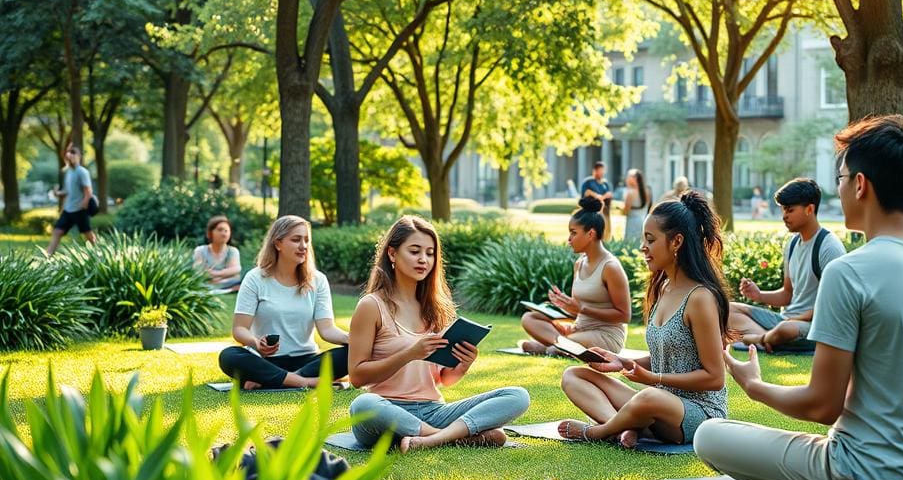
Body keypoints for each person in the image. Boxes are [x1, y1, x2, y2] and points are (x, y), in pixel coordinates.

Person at [695, 115, 903, 480]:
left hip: (869, 475)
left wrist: (754, 386)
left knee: (710, 434)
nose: (838, 189)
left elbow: (822, 404)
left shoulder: (848, 272)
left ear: (859, 184)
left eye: (840, 178)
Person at [557, 192, 728, 445]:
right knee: (574, 376)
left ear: (676, 241)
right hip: (657, 404)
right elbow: (667, 355)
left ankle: (597, 432)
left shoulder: (700, 297)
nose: (643, 247)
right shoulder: (664, 288)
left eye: (650, 239)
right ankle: (623, 427)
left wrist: (654, 379)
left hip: (698, 414)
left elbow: (715, 378)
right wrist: (622, 362)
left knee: (649, 398)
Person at [348, 216, 529, 452]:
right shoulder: (371, 306)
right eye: (414, 251)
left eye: (430, 253)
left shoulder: (435, 307)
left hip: (433, 410)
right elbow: (357, 377)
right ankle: (446, 437)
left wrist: (462, 366)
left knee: (517, 395)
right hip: (386, 410)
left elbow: (443, 379)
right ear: (392, 254)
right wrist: (410, 354)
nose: (423, 259)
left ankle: (430, 438)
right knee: (362, 405)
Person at [218, 215, 348, 389]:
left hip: (307, 362)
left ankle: (273, 380)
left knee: (351, 353)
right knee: (229, 356)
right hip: (267, 361)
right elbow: (239, 329)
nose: (303, 246)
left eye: (306, 240)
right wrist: (256, 343)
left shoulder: (318, 280)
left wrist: (352, 340)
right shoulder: (255, 279)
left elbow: (327, 330)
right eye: (296, 240)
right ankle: (303, 382)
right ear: (278, 244)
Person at [729, 178, 845, 352]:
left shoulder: (829, 247)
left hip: (814, 326)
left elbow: (833, 304)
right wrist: (759, 295)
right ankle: (769, 340)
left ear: (810, 209)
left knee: (786, 329)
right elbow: (787, 294)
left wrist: (795, 320)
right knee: (728, 309)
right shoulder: (791, 245)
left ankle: (763, 338)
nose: (784, 216)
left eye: (790, 210)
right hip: (784, 320)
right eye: (783, 209)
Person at [520, 196, 631, 355]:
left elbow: (624, 315)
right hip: (578, 328)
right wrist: (565, 305)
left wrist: (582, 308)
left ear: (590, 234)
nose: (569, 239)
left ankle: (554, 347)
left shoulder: (610, 267)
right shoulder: (579, 263)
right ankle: (562, 346)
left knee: (550, 348)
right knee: (529, 319)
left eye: (573, 233)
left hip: (605, 335)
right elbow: (578, 311)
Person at [45, 144, 96, 255]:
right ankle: (47, 255)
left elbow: (88, 191)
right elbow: (68, 191)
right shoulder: (68, 172)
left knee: (88, 234)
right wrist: (57, 193)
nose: (71, 156)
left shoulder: (82, 172)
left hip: (80, 209)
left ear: (79, 156)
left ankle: (98, 253)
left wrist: (84, 203)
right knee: (57, 231)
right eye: (69, 154)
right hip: (68, 209)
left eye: (74, 153)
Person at [193, 215, 242, 291]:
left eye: (226, 231)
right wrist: (225, 274)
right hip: (206, 282)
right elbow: (198, 271)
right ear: (210, 232)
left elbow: (236, 269)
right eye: (220, 230)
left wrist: (216, 274)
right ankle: (225, 288)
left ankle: (216, 287)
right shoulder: (200, 250)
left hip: (226, 282)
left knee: (238, 281)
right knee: (197, 282)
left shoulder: (233, 251)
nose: (224, 234)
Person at [580, 161, 613, 241]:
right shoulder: (588, 182)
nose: (602, 172)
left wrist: (605, 197)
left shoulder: (605, 183)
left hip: (605, 212)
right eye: (600, 170)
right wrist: (597, 196)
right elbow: (586, 193)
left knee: (605, 234)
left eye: (603, 170)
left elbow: (609, 194)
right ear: (595, 170)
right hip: (592, 212)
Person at [622, 168, 651, 243]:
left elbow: (625, 211)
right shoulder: (647, 190)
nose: (627, 178)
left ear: (634, 178)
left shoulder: (630, 193)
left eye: (629, 176)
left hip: (632, 223)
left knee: (630, 245)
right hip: (644, 220)